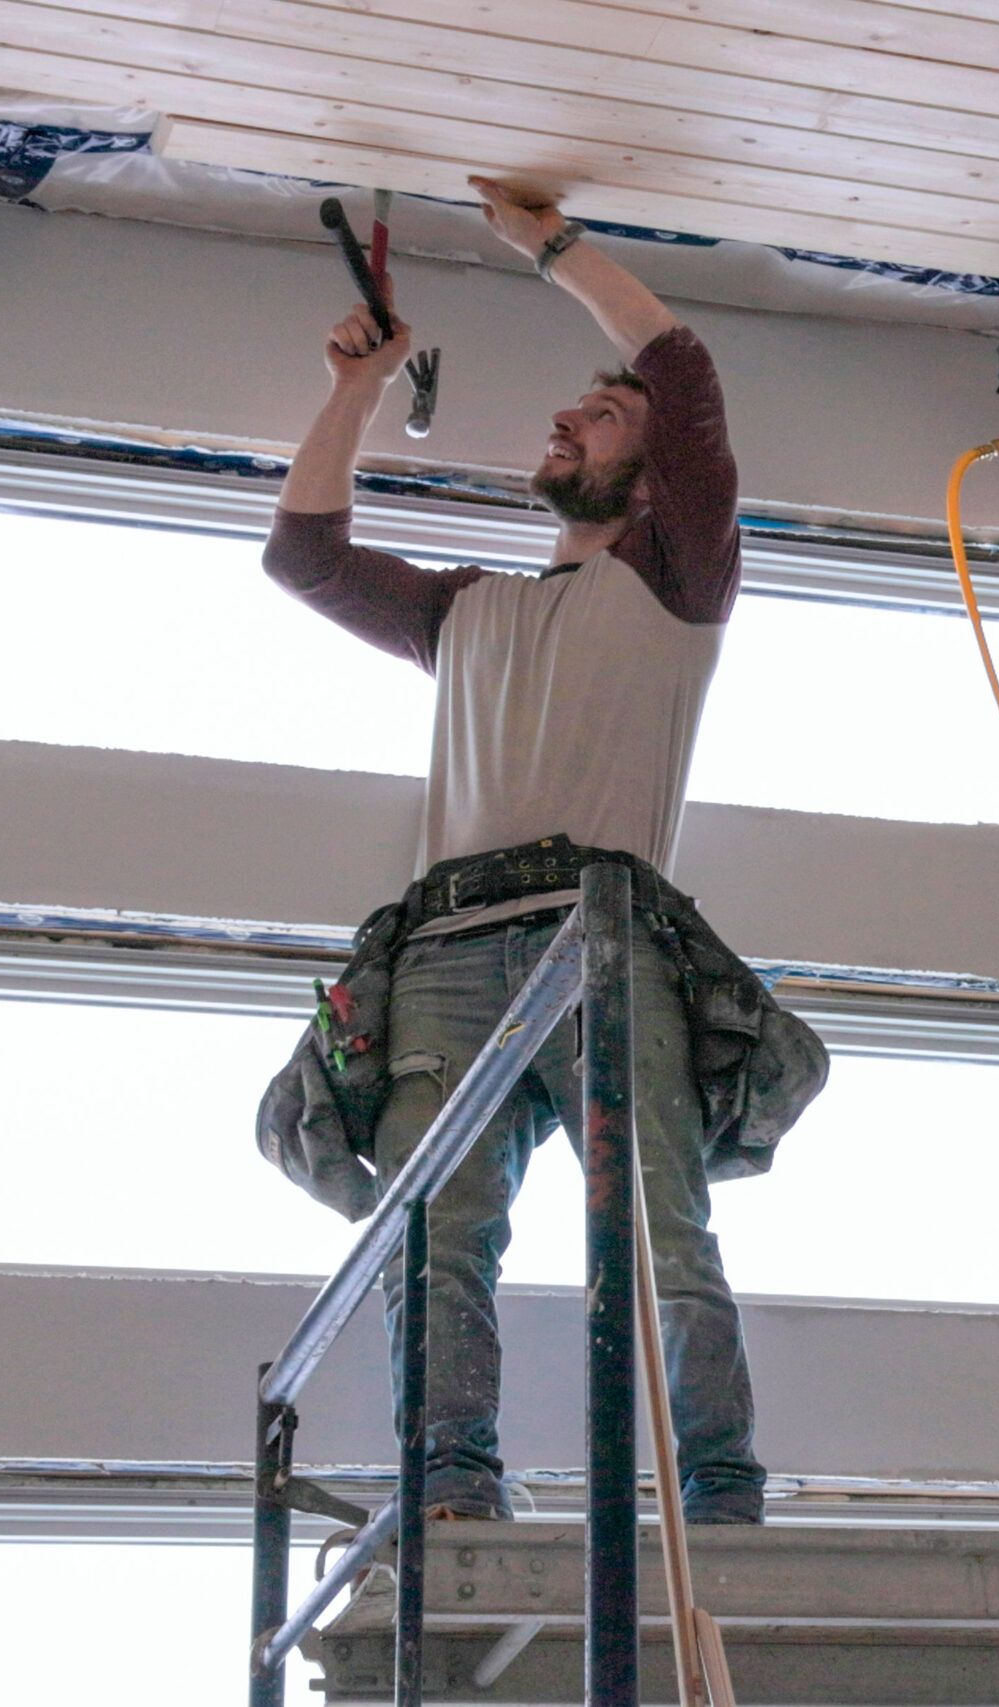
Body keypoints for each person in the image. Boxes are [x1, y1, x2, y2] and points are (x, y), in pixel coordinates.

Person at [261, 177, 764, 1524]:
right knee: (437, 1232)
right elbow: (304, 558)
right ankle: (449, 1479)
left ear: (656, 470)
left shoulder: (677, 575)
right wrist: (356, 389)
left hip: (599, 939)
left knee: (657, 1226)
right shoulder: (467, 611)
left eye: (598, 412)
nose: (566, 416)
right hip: (447, 949)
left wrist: (552, 244)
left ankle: (716, 1492)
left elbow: (682, 365)